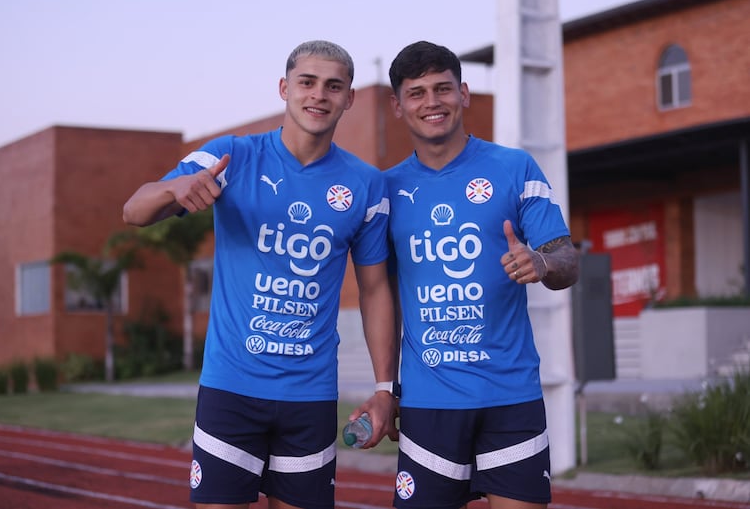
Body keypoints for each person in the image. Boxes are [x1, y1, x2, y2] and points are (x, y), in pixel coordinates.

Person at [123, 40, 399, 509]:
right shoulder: (232, 157)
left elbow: (374, 290)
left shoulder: (366, 184)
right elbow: (134, 211)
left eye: (334, 86)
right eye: (307, 82)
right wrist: (176, 187)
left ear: (349, 98)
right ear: (284, 88)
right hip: (231, 389)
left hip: (309, 397)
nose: (319, 95)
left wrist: (383, 389)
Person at [385, 41, 580, 509]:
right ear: (397, 106)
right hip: (428, 400)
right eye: (416, 93)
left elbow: (568, 261)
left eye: (442, 88)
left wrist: (542, 263)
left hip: (509, 395)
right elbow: (383, 296)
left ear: (465, 93)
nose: (432, 102)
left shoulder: (515, 168)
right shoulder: (384, 189)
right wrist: (386, 387)